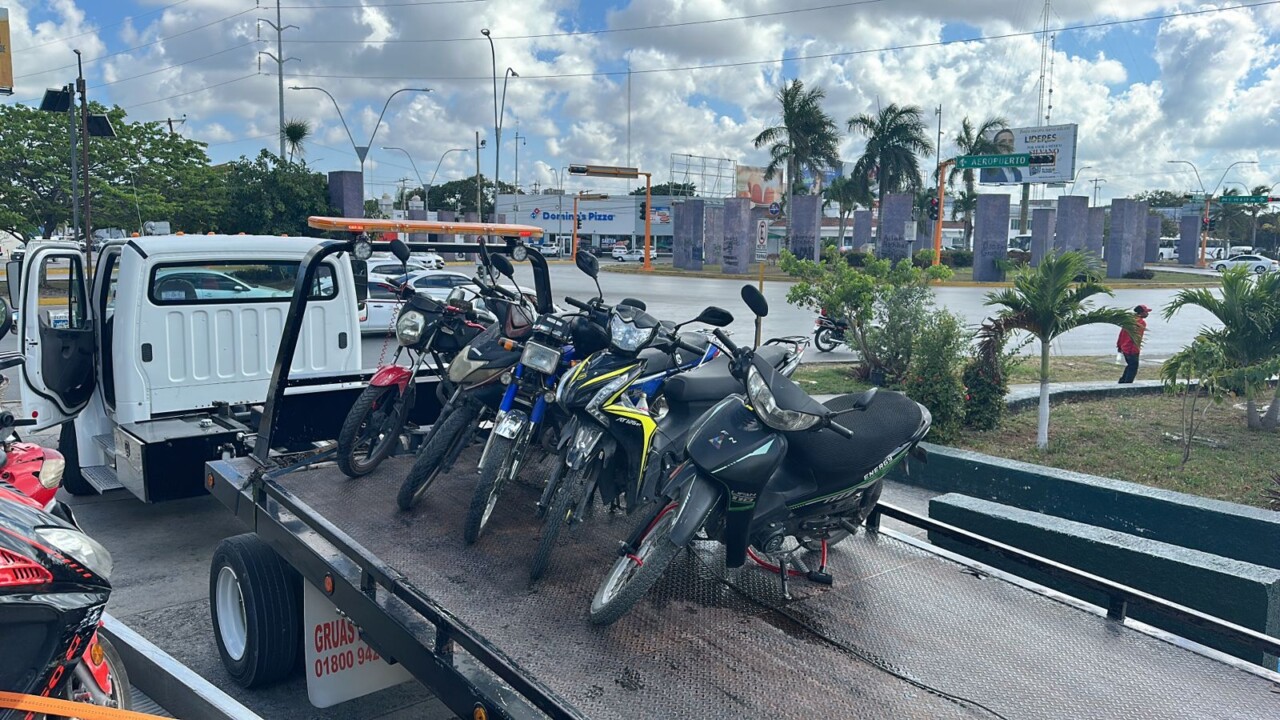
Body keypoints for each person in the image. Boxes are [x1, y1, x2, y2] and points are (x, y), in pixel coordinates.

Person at [1117, 305, 1150, 384]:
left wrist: (1119, 345)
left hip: (1124, 347)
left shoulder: (1129, 320)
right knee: (1133, 367)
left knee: (1130, 365)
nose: (1147, 314)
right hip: (1131, 349)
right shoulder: (1141, 322)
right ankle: (1127, 385)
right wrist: (1135, 350)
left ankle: (1122, 382)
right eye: (1146, 312)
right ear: (1141, 313)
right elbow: (1136, 337)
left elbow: (1121, 334)